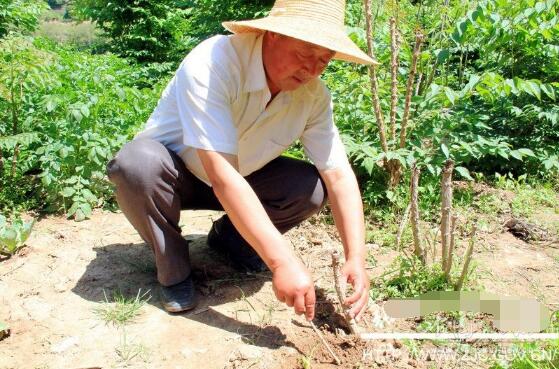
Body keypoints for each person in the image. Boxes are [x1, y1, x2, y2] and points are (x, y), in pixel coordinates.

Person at [106, 0, 378, 322]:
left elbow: (339, 176)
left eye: (324, 60)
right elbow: (222, 175)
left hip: (242, 179)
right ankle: (174, 266)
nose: (312, 69)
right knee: (136, 165)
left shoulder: (314, 96)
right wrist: (283, 261)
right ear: (274, 34)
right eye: (306, 53)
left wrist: (356, 257)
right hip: (173, 178)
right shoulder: (214, 61)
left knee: (310, 187)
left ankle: (232, 242)